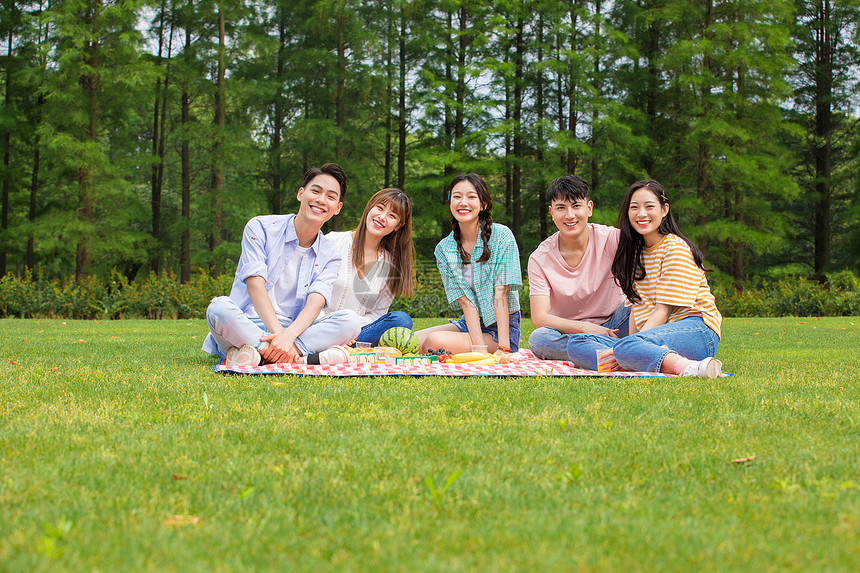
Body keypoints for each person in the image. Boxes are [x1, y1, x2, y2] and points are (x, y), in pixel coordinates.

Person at [203, 163, 362, 366]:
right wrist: (280, 336)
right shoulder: (260, 227)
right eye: (316, 191)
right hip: (249, 324)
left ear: (338, 208)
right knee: (218, 308)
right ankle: (295, 357)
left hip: (296, 332)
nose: (321, 200)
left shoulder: (331, 254)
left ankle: (254, 354)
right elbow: (255, 284)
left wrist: (288, 337)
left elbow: (316, 302)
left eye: (331, 197)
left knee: (350, 321)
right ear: (300, 194)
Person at [566, 179, 723, 378]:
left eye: (649, 207)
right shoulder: (635, 252)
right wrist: (630, 347)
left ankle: (687, 368)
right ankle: (637, 360)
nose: (641, 214)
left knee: (628, 346)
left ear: (664, 210)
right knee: (576, 344)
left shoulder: (675, 248)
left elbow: (663, 311)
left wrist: (633, 345)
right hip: (653, 337)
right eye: (634, 207)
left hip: (696, 331)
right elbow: (636, 310)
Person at [416, 173, 522, 354]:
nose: (463, 202)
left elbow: (501, 294)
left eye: (471, 197)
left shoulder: (502, 236)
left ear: (484, 204)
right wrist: (478, 347)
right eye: (457, 196)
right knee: (411, 340)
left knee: (434, 342)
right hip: (469, 324)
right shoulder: (444, 248)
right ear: (450, 202)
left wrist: (504, 348)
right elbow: (466, 302)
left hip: (500, 330)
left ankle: (494, 345)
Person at [527, 175, 630, 360]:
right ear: (551, 212)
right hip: (570, 333)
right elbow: (540, 319)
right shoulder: (539, 258)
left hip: (614, 325)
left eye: (576, 206)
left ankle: (599, 354)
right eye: (561, 208)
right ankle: (626, 352)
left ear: (589, 208)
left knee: (638, 305)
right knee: (539, 339)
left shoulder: (613, 239)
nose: (569, 215)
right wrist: (585, 328)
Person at [323, 187, 415, 345]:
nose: (382, 217)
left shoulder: (390, 265)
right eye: (380, 208)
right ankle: (328, 346)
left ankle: (341, 347)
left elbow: (376, 315)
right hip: (318, 326)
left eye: (392, 216)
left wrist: (350, 332)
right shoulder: (333, 241)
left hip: (355, 335)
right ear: (370, 207)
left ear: (398, 226)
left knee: (402, 320)